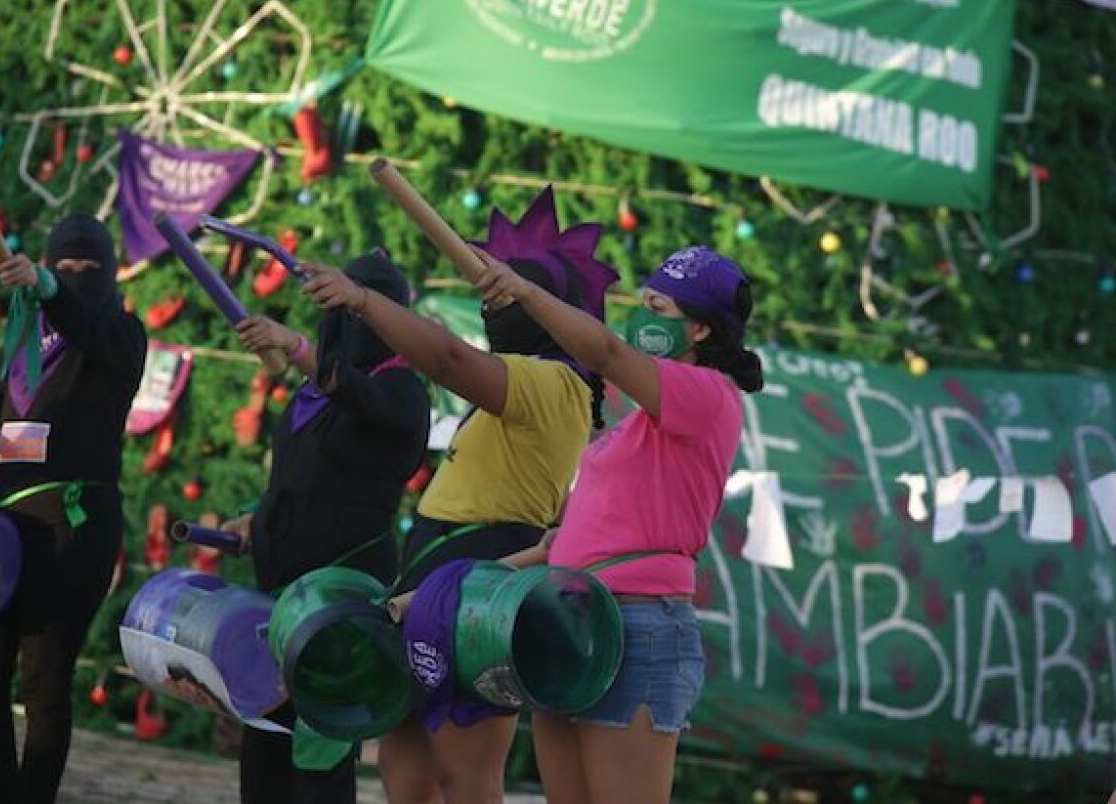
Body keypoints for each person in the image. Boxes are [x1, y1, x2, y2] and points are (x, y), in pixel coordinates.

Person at [299, 189, 616, 804]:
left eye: (508, 294)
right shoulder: (523, 382)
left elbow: (446, 359)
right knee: (403, 755)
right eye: (488, 294)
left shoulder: (558, 382)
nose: (491, 305)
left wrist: (363, 300)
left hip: (486, 578)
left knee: (464, 775)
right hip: (435, 567)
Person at [473, 243, 763, 804]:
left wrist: (527, 292)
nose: (642, 316)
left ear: (701, 329)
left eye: (658, 308)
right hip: (568, 619)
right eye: (643, 301)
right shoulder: (637, 427)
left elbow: (606, 352)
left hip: (637, 625)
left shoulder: (708, 394)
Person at [0, 214, 144, 804]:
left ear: (110, 274)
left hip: (72, 526)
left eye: (88, 269)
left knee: (44, 684)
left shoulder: (121, 334)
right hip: (0, 524)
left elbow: (83, 322)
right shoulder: (29, 331)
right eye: (63, 267)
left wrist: (49, 286)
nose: (75, 277)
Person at [224, 250, 430, 804]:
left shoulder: (404, 389)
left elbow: (359, 395)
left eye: (363, 311)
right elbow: (303, 477)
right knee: (265, 745)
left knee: (321, 756)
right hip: (279, 594)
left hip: (339, 602)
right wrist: (260, 517)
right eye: (341, 310)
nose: (349, 324)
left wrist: (294, 346)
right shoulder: (311, 392)